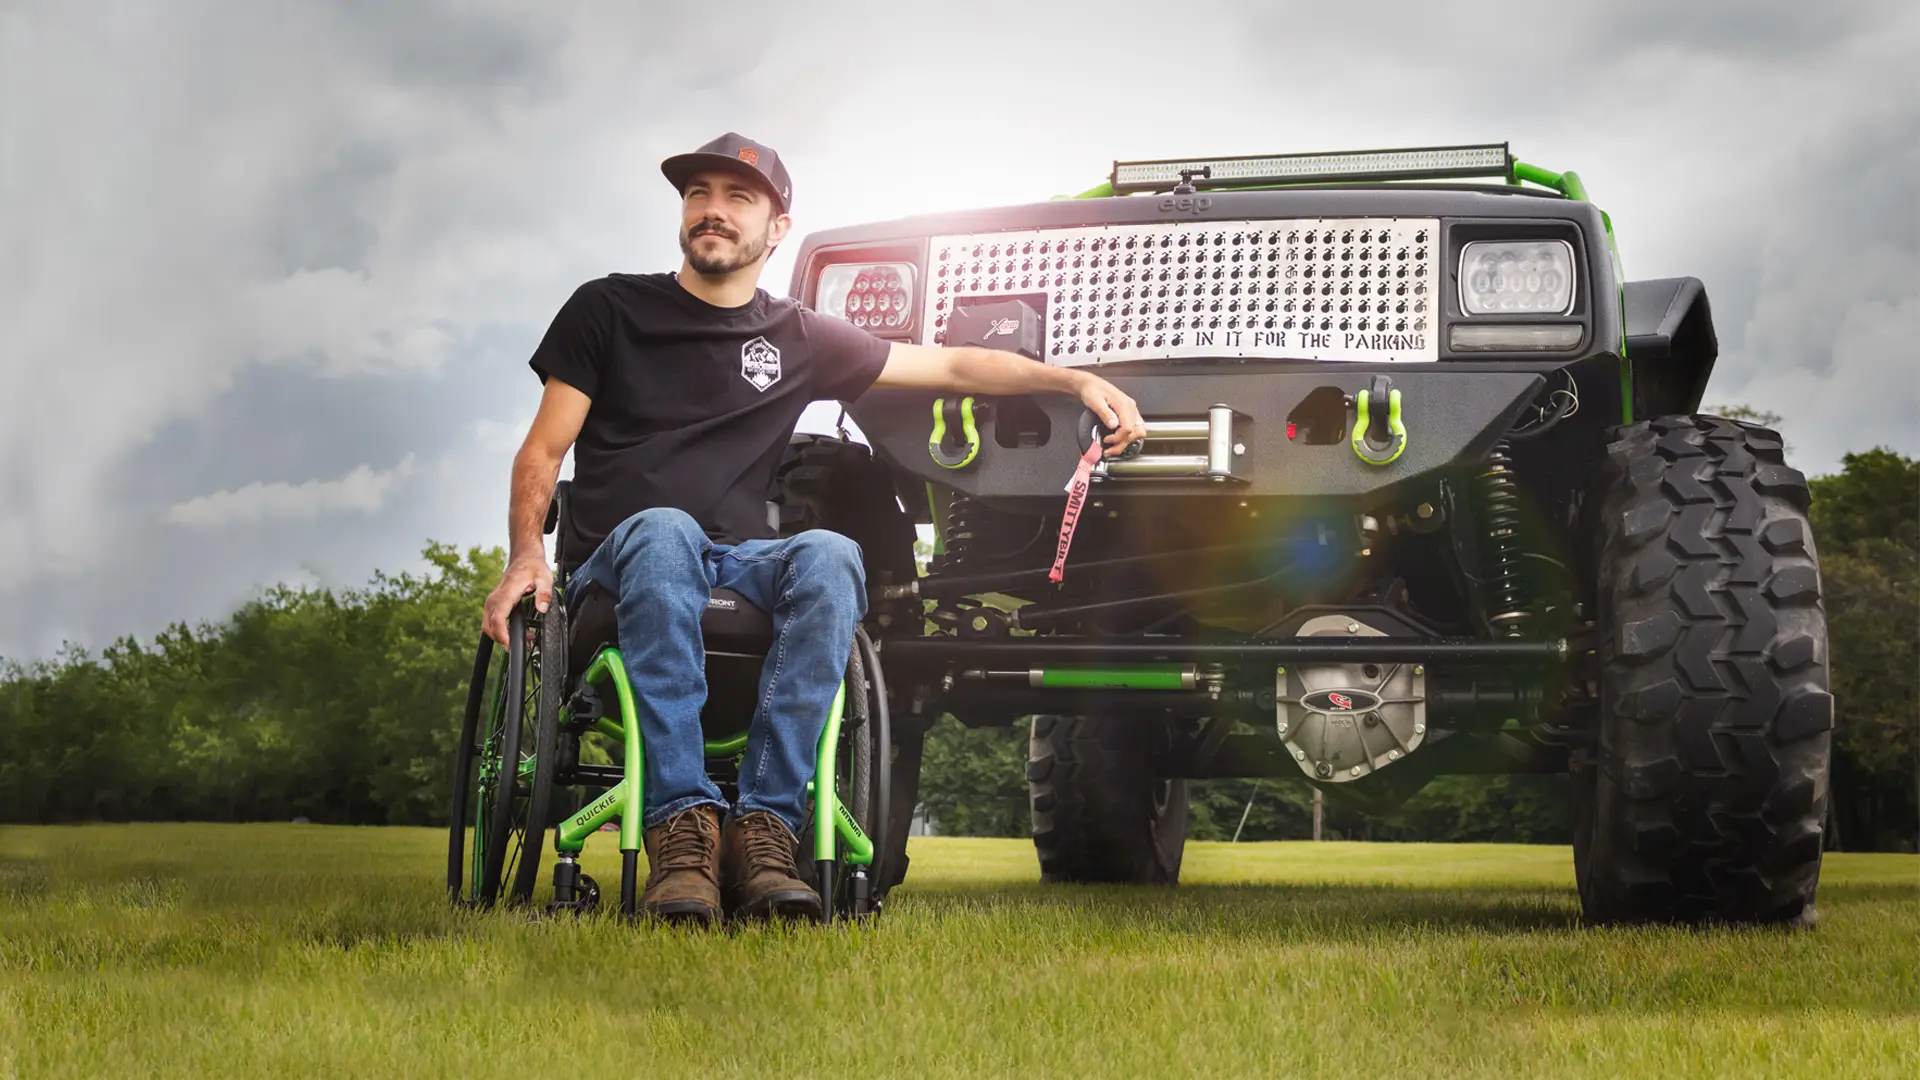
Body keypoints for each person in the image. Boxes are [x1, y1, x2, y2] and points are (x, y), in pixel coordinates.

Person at [482, 132, 1146, 925]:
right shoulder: (609, 308)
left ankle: (764, 827)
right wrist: (526, 553)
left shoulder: (796, 335)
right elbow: (543, 450)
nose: (713, 213)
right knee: (663, 530)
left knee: (832, 554)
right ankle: (682, 834)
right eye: (699, 195)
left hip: (736, 563)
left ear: (777, 228)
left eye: (738, 200)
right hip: (620, 566)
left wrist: (1074, 379)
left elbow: (957, 366)